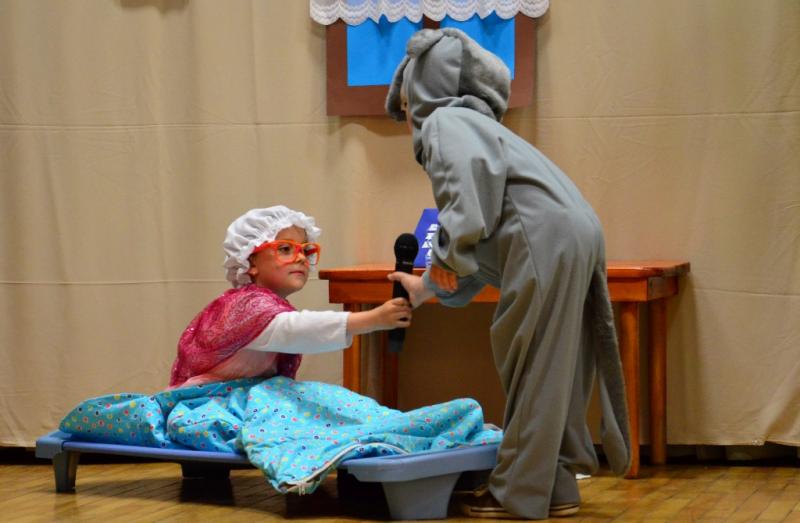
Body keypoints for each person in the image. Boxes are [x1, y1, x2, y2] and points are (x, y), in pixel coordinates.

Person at [384, 29, 631, 519]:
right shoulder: (486, 130)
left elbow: (464, 204)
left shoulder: (446, 121)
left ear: (428, 88)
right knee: (556, 367)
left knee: (534, 367)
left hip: (544, 237)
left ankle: (517, 492)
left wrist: (448, 257)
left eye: (408, 102)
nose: (408, 115)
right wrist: (428, 284)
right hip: (570, 232)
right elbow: (480, 239)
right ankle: (553, 485)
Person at [169, 205, 411, 389]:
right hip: (214, 404)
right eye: (285, 249)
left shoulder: (266, 303)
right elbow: (295, 330)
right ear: (249, 262)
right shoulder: (247, 305)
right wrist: (373, 319)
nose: (301, 257)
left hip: (246, 400)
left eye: (306, 250)